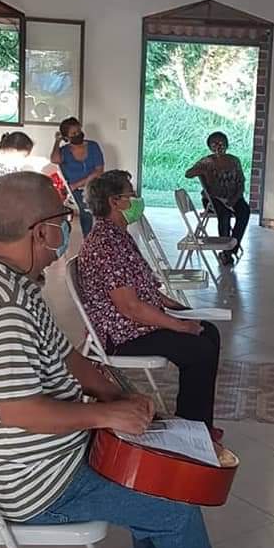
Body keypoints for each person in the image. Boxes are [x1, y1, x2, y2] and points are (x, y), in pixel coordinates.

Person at [0, 171, 258, 548]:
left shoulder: (16, 284)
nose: (66, 231)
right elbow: (18, 411)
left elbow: (71, 358)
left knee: (154, 462)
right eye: (62, 221)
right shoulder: (2, 308)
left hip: (55, 457)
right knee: (171, 498)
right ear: (40, 232)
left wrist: (120, 395)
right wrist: (106, 413)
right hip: (37, 484)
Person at [78, 170, 223, 435]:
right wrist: (179, 325)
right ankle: (193, 430)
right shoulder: (106, 244)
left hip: (136, 324)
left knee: (209, 331)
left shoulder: (118, 235)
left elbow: (145, 290)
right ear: (114, 201)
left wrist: (181, 311)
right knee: (198, 349)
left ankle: (198, 424)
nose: (137, 200)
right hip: (121, 334)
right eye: (131, 195)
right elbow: (130, 307)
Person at [185, 131, 250, 265]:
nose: (218, 146)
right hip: (213, 199)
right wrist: (202, 170)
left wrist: (234, 199)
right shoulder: (207, 161)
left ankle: (232, 247)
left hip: (234, 197)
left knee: (245, 211)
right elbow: (188, 173)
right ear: (210, 147)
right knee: (224, 214)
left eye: (221, 143)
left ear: (227, 145)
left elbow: (241, 183)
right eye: (214, 144)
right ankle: (225, 251)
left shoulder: (234, 161)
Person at [50, 116, 103, 236]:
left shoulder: (93, 146)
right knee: (86, 211)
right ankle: (88, 240)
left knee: (101, 209)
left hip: (93, 186)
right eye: (73, 133)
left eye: (79, 131)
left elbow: (99, 171)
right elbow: (54, 159)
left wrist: (77, 184)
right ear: (67, 137)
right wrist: (57, 141)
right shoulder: (64, 151)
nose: (78, 134)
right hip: (75, 191)